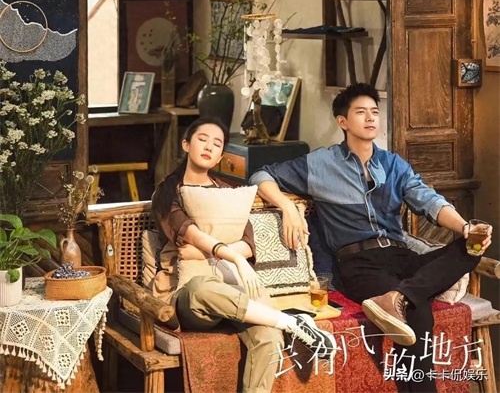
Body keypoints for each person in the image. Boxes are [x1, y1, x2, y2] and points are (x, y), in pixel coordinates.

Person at [249, 83, 493, 393]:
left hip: (402, 257)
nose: (370, 118)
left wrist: (464, 227)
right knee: (418, 316)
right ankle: (407, 298)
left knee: (469, 249)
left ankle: (399, 297)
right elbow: (261, 174)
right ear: (343, 122)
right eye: (361, 112)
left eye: (375, 112)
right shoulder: (320, 164)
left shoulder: (394, 165)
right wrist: (286, 207)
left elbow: (429, 201)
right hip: (360, 264)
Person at [151, 116, 337, 393]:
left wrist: (209, 254)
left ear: (220, 156)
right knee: (201, 287)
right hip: (191, 299)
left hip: (235, 292)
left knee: (268, 337)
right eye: (202, 139)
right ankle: (289, 321)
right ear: (186, 144)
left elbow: (249, 242)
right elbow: (188, 232)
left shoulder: (229, 193)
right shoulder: (166, 193)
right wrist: (234, 256)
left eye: (217, 144)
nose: (209, 146)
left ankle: (281, 326)